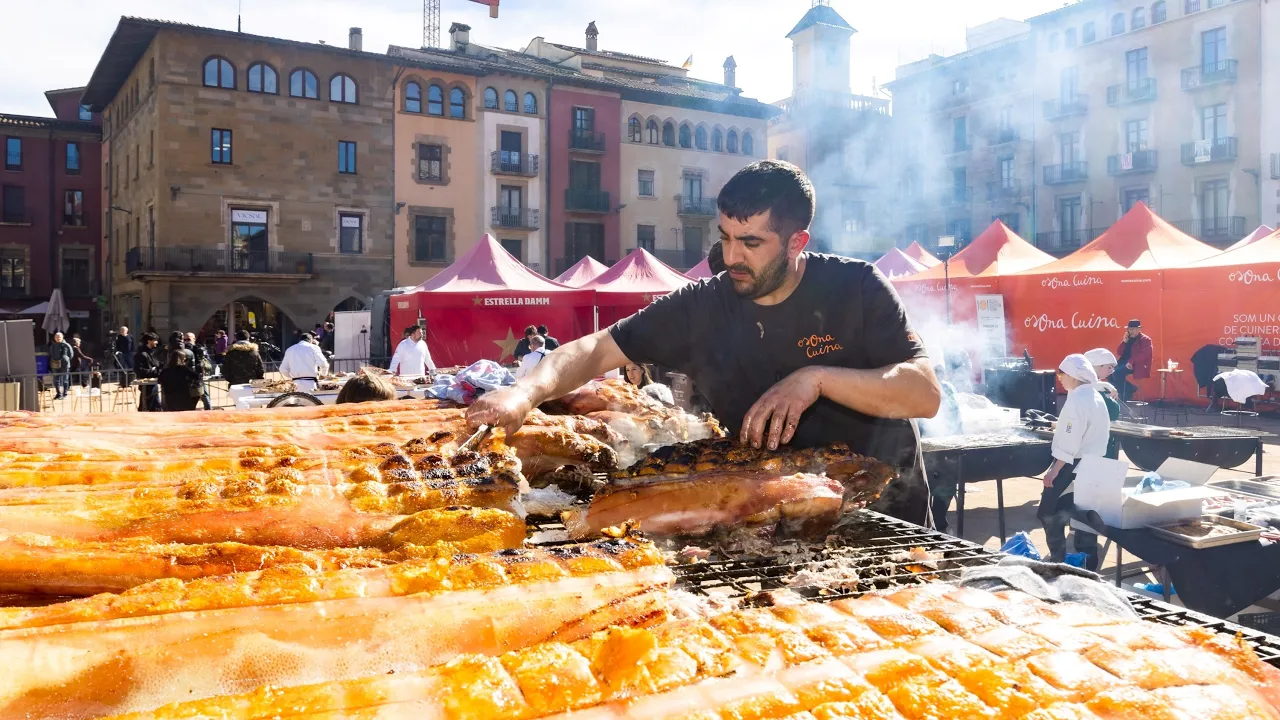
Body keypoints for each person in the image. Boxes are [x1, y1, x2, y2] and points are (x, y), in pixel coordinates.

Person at [468, 160, 942, 525]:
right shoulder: (701, 306)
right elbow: (596, 349)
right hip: (770, 517)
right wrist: (523, 392)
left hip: (883, 511)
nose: (732, 256)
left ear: (797, 242)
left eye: (751, 243)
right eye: (726, 237)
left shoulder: (856, 287)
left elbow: (924, 394)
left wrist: (817, 378)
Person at [1038, 354, 1111, 568]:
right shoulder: (1096, 397)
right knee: (1084, 515)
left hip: (1073, 464)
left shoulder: (1077, 399)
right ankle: (1088, 563)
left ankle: (1057, 560)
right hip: (1094, 464)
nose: (1059, 378)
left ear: (1074, 376)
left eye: (1062, 374)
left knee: (1048, 512)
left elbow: (1070, 440)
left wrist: (1054, 470)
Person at [1084, 348, 1122, 460]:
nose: (1110, 371)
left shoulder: (1101, 386)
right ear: (1096, 366)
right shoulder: (1088, 387)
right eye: (1109, 367)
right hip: (1094, 443)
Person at [1113, 319, 1153, 402]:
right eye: (1130, 329)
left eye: (1133, 329)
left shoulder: (1145, 339)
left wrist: (1131, 361)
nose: (1131, 331)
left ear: (1139, 329)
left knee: (1117, 372)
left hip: (1137, 365)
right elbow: (1119, 352)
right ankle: (1129, 389)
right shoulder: (1128, 338)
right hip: (1124, 362)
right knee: (1109, 372)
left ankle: (1123, 395)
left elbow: (1144, 354)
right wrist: (1124, 342)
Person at [133, 332, 162, 411]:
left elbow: (157, 364)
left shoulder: (152, 353)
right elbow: (139, 370)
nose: (157, 342)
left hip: (154, 384)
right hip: (146, 385)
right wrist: (154, 371)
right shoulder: (141, 354)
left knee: (156, 407)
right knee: (146, 407)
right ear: (149, 341)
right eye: (155, 340)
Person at [185, 332, 212, 411]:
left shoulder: (199, 348)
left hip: (198, 376)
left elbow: (207, 360)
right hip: (186, 376)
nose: (186, 341)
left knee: (204, 394)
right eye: (185, 339)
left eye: (188, 339)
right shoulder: (182, 350)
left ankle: (208, 411)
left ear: (194, 339)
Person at [48, 332, 73, 400]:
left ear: (62, 337)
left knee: (65, 380)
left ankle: (65, 394)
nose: (58, 338)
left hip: (65, 364)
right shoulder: (52, 346)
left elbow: (71, 354)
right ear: (54, 338)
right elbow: (50, 354)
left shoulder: (66, 345)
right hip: (55, 364)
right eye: (56, 337)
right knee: (56, 380)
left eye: (59, 337)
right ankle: (58, 393)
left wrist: (66, 359)